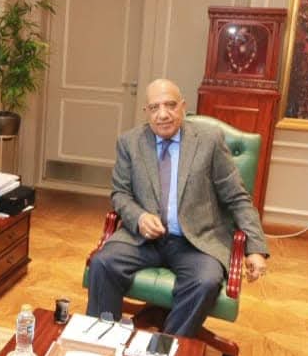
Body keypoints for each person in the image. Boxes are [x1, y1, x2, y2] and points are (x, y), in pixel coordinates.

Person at [86, 78, 268, 337]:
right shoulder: (130, 142)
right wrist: (139, 217)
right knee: (103, 264)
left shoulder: (209, 140)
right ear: (146, 112)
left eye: (170, 105)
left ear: (183, 106)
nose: (163, 114)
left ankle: (164, 349)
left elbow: (238, 197)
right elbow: (120, 193)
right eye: (155, 107)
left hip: (196, 242)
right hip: (142, 240)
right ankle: (103, 342)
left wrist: (255, 248)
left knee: (205, 281)